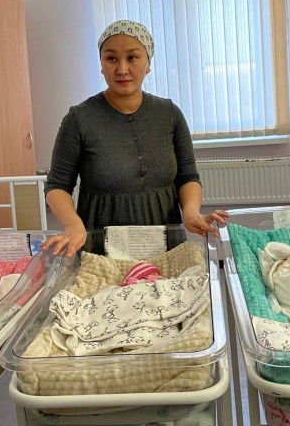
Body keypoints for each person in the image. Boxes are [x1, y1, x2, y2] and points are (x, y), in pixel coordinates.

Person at [42, 19, 229, 256]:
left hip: (166, 248)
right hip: (102, 254)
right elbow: (57, 186)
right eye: (111, 59)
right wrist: (72, 224)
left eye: (132, 57)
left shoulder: (169, 114)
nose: (122, 69)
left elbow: (187, 176)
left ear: (148, 63)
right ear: (101, 65)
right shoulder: (79, 119)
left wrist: (191, 212)